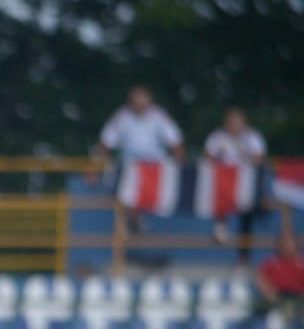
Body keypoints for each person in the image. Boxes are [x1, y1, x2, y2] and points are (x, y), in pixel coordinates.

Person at [95, 86, 184, 234]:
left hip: (154, 167)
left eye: (142, 101)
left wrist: (180, 163)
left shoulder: (159, 116)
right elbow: (105, 142)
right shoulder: (122, 116)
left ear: (150, 101)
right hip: (129, 166)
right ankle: (133, 220)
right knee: (121, 182)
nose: (139, 105)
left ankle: (136, 219)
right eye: (135, 102)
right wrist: (94, 167)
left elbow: (175, 142)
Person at [202, 108, 267, 250]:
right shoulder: (217, 137)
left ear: (244, 122)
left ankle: (244, 256)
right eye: (231, 121)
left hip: (247, 182)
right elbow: (207, 158)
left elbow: (259, 159)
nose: (234, 124)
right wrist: (217, 156)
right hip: (224, 181)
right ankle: (220, 227)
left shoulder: (252, 137)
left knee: (247, 212)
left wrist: (243, 153)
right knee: (219, 194)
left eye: (237, 121)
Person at [255, 232, 304, 306]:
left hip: (298, 299)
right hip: (277, 297)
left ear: (296, 244)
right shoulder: (271, 263)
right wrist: (270, 293)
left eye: (289, 243)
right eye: (284, 243)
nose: (287, 246)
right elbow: (259, 277)